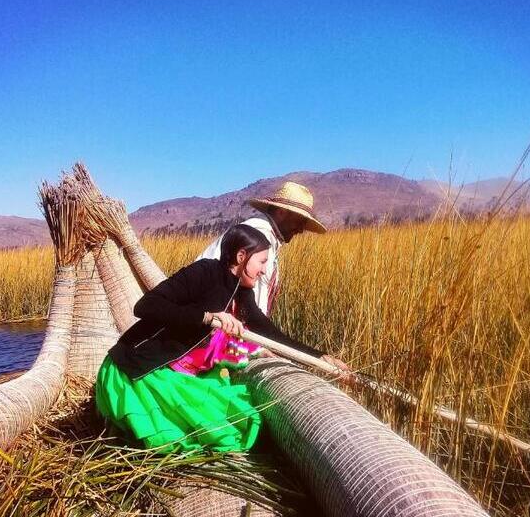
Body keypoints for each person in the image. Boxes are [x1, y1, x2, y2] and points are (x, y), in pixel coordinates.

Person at [95, 224, 347, 453]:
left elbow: (268, 332)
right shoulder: (203, 272)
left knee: (239, 415)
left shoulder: (240, 290)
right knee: (220, 431)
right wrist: (206, 316)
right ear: (241, 256)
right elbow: (145, 306)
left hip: (169, 368)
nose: (263, 271)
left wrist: (318, 357)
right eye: (261, 262)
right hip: (137, 369)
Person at [197, 181, 327, 316]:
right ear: (281, 212)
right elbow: (253, 309)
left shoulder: (262, 234)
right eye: (299, 221)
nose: (301, 229)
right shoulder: (260, 238)